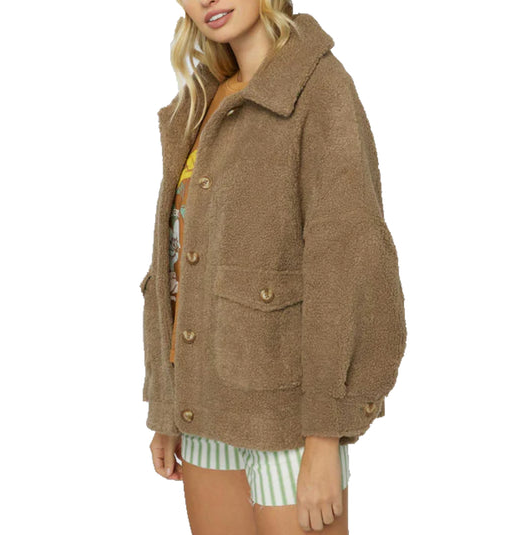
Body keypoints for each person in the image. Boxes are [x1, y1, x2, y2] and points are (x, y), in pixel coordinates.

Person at [139, 1, 408, 533]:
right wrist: (167, 406)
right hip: (204, 409)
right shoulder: (202, 100)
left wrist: (324, 437)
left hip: (290, 422)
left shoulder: (318, 88)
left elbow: (346, 267)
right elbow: (176, 264)